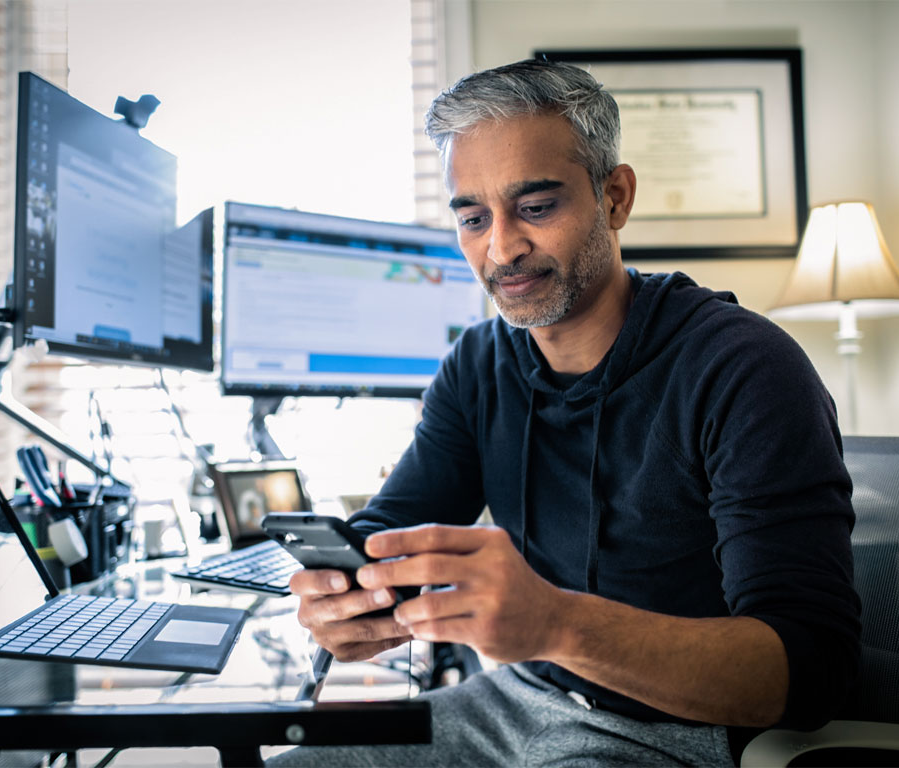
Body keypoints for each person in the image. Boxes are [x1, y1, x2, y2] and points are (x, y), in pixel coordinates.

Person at [270, 58, 861, 767]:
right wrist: (344, 592)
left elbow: (811, 671)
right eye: (472, 218)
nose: (501, 247)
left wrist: (556, 623)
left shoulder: (744, 369)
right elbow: (394, 528)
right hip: (514, 699)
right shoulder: (479, 364)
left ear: (614, 198)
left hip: (679, 731)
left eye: (537, 207)